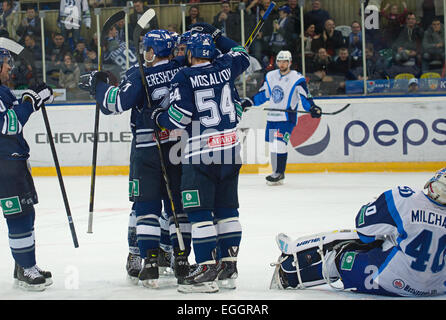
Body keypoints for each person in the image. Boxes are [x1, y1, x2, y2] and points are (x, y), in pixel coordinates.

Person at [79, 29, 191, 288]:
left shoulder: (140, 73)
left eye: (146, 48)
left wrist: (98, 86)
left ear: (151, 51)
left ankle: (149, 261)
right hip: (178, 147)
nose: (143, 52)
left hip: (147, 148)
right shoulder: (182, 69)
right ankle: (182, 259)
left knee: (146, 208)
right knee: (178, 208)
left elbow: (115, 103)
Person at [150, 24, 250, 293]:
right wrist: (218, 35)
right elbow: (242, 52)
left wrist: (158, 118)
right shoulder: (227, 66)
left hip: (201, 154)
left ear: (192, 53)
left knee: (200, 212)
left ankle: (206, 268)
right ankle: (228, 267)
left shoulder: (184, 76)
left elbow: (179, 118)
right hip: (231, 151)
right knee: (228, 210)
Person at [270, 168, 446, 297]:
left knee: (345, 251)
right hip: (436, 288)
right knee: (384, 242)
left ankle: (289, 274)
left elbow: (363, 230)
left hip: (390, 282)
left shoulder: (404, 198)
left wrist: (374, 205)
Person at [0, 47, 54, 291]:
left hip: (14, 161)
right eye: (5, 64)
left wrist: (39, 94)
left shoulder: (2, 91)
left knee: (26, 212)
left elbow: (17, 103)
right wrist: (31, 101)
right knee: (18, 215)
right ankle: (25, 267)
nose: (10, 67)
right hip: (4, 164)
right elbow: (9, 123)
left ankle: (24, 264)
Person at [241, 50, 322, 185]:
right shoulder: (270, 76)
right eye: (280, 61)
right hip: (272, 117)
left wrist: (312, 108)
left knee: (280, 143)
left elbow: (305, 96)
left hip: (286, 118)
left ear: (290, 62)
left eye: (285, 61)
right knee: (273, 146)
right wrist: (249, 102)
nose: (282, 63)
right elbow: (263, 94)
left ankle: (279, 173)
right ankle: (276, 172)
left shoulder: (297, 78)